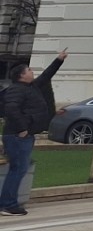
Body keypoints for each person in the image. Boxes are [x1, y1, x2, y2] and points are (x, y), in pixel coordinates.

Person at [0, 49, 66, 215]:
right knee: (18, 169)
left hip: (23, 136)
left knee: (19, 169)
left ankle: (8, 203)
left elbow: (47, 75)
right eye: (29, 70)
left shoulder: (32, 87)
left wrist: (59, 60)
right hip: (17, 136)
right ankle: (8, 204)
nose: (32, 72)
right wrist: (23, 129)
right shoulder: (16, 89)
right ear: (22, 76)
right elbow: (11, 108)